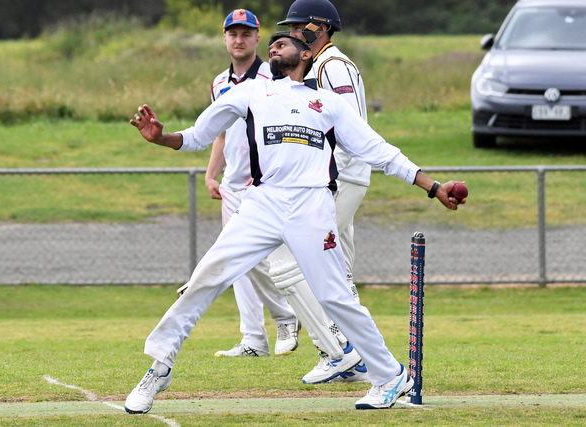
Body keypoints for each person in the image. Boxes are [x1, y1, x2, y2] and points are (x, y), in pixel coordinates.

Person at [124, 32, 465, 414]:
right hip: (263, 202)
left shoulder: (329, 103)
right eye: (271, 44)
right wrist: (161, 138)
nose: (273, 47)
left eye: (283, 43)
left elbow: (380, 152)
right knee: (206, 276)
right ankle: (160, 367)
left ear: (305, 54)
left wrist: (434, 187)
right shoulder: (250, 92)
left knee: (335, 296)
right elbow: (196, 137)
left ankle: (389, 376)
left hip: (312, 205)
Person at [274, 0, 373, 384]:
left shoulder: (332, 65)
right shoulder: (319, 65)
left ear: (320, 27)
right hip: (339, 177)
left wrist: (322, 175)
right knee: (338, 271)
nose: (292, 34)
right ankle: (361, 359)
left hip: (339, 177)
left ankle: (335, 350)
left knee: (288, 260)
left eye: (298, 26)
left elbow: (347, 126)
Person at [205, 9, 300, 358]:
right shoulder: (219, 82)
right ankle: (254, 340)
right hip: (232, 186)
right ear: (225, 38)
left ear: (258, 38)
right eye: (233, 33)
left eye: (246, 33)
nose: (239, 40)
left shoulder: (272, 76)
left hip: (266, 185)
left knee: (267, 261)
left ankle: (287, 316)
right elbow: (221, 132)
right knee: (237, 264)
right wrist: (212, 174)